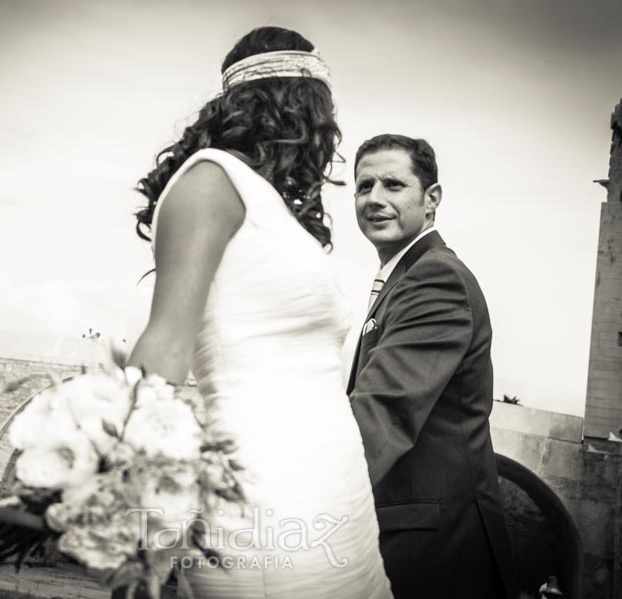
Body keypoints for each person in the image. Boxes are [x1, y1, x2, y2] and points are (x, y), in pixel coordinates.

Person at [127, 26, 392, 599]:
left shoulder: (265, 203)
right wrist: (143, 519)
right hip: (264, 497)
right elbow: (165, 346)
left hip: (336, 497)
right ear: (300, 103)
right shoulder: (209, 181)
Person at [346, 134, 516, 599]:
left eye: (393, 185)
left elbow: (382, 414)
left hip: (436, 552)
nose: (375, 199)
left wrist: (285, 498)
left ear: (432, 198)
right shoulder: (402, 280)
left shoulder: (436, 277)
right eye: (363, 187)